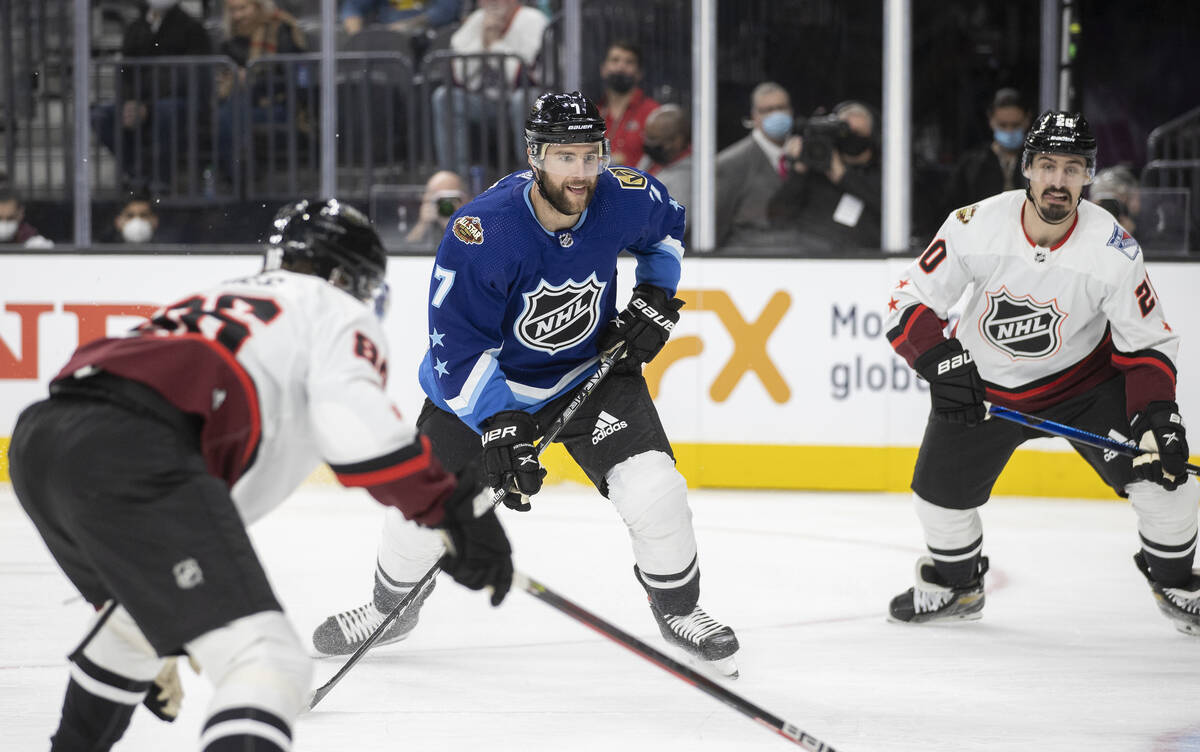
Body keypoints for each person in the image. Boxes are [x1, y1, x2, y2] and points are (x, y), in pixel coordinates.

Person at [7, 198, 512, 750]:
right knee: (268, 663)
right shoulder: (333, 309)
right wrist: (449, 510)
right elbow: (360, 434)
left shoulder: (218, 295)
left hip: (42, 441)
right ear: (345, 274)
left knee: (131, 624)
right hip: (138, 454)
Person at [312, 91, 741, 676]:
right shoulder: (484, 231)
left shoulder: (623, 196)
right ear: (536, 155)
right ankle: (392, 609)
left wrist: (655, 295)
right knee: (415, 518)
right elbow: (456, 348)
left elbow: (665, 230)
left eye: (591, 156)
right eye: (566, 157)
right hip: (488, 389)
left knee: (656, 490)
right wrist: (500, 422)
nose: (582, 172)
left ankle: (679, 610)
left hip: (588, 374)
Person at [884, 111, 1200, 634]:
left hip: (1087, 386)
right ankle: (958, 586)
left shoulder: (1113, 247)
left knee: (1166, 485)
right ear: (1027, 169)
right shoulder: (976, 223)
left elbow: (1145, 343)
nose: (1058, 181)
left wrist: (1157, 414)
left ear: (1088, 176)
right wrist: (941, 362)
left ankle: (1176, 582)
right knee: (937, 498)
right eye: (1048, 166)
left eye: (1073, 169)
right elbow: (911, 299)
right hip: (986, 391)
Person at [90, 0, 213, 191]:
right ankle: (136, 173)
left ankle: (161, 178)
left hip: (180, 103)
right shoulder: (135, 27)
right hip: (141, 102)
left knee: (165, 112)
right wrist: (129, 101)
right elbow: (126, 72)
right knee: (100, 116)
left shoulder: (192, 28)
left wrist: (147, 105)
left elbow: (189, 77)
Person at [432, 0, 547, 177]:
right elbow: (460, 77)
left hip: (525, 100)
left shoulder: (532, 20)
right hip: (487, 103)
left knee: (523, 98)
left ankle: (530, 177)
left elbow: (523, 77)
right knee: (444, 97)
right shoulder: (476, 21)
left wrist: (493, 45)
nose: (491, 2)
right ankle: (454, 180)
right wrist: (484, 42)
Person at [767, 100, 882, 253]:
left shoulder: (887, 175)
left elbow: (892, 210)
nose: (850, 136)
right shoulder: (816, 170)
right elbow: (777, 216)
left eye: (857, 133)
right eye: (844, 131)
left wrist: (843, 176)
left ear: (872, 134)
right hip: (811, 259)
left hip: (864, 263)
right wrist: (800, 169)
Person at [215, 0, 309, 184]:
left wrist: (251, 80)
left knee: (230, 116)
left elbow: (293, 78)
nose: (238, 16)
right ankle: (241, 176)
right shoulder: (229, 40)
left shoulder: (281, 30)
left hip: (277, 104)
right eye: (233, 11)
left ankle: (239, 179)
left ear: (258, 6)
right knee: (228, 114)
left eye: (243, 8)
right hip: (239, 104)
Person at [714, 82, 792, 247]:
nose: (776, 115)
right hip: (748, 257)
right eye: (768, 110)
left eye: (781, 107)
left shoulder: (802, 155)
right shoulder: (731, 163)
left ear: (791, 111)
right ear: (754, 116)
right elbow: (717, 223)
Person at [940, 88, 1033, 220]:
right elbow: (953, 212)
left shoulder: (1036, 162)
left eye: (1015, 125)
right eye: (1003, 125)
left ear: (1027, 120)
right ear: (991, 120)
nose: (1009, 131)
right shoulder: (972, 165)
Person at [596, 40, 659, 167]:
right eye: (615, 60)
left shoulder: (653, 112)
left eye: (629, 62)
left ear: (639, 73)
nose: (621, 67)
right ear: (603, 69)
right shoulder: (593, 113)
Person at [639, 104, 692, 212]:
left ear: (678, 141)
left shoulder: (685, 181)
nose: (648, 143)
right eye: (647, 137)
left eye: (654, 139)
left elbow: (671, 226)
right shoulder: (655, 157)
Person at [404, 169, 467, 249]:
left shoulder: (477, 221)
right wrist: (422, 225)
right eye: (439, 199)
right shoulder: (407, 221)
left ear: (465, 199)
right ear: (426, 198)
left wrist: (458, 224)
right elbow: (407, 250)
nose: (446, 205)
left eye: (452, 199)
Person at [340, 0, 461, 35]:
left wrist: (407, 26)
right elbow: (352, 7)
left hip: (429, 37)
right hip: (389, 41)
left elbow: (446, 11)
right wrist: (356, 36)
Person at [1090, 165, 1141, 234]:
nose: (1108, 209)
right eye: (1102, 203)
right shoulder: (1085, 228)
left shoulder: (1141, 226)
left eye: (1114, 202)